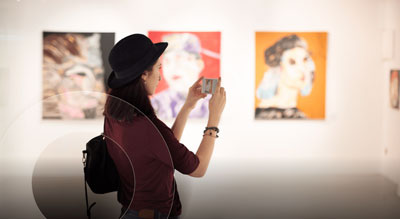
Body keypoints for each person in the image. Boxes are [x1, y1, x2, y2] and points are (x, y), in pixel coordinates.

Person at [103, 34, 226, 219]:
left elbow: (164, 149)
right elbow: (197, 169)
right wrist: (214, 120)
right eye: (159, 68)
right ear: (144, 75)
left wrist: (187, 106)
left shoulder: (115, 116)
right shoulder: (147, 126)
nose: (161, 77)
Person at [150, 33, 210, 120]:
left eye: (179, 59)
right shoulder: (156, 104)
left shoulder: (211, 102)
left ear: (199, 64)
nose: (172, 68)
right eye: (166, 61)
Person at [255, 34, 315, 119]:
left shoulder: (301, 117)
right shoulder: (263, 115)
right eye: (292, 62)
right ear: (279, 67)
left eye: (305, 60)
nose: (303, 69)